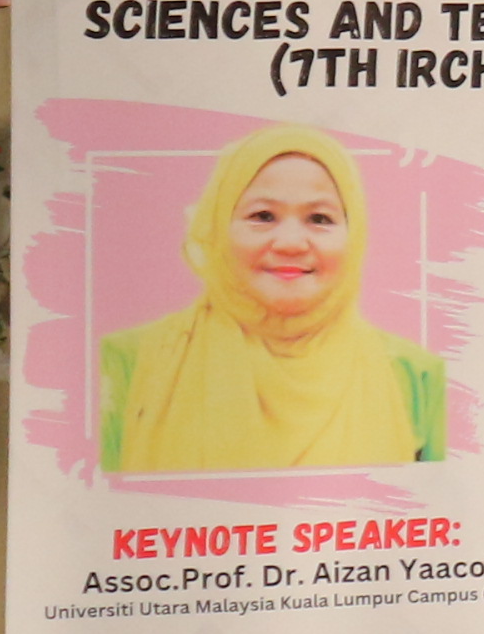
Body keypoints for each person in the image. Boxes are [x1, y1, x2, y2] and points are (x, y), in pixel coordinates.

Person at [98, 126, 443, 473]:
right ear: (218, 226)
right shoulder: (125, 364)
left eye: (320, 219)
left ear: (354, 236)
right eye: (262, 216)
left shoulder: (416, 377)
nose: (290, 243)